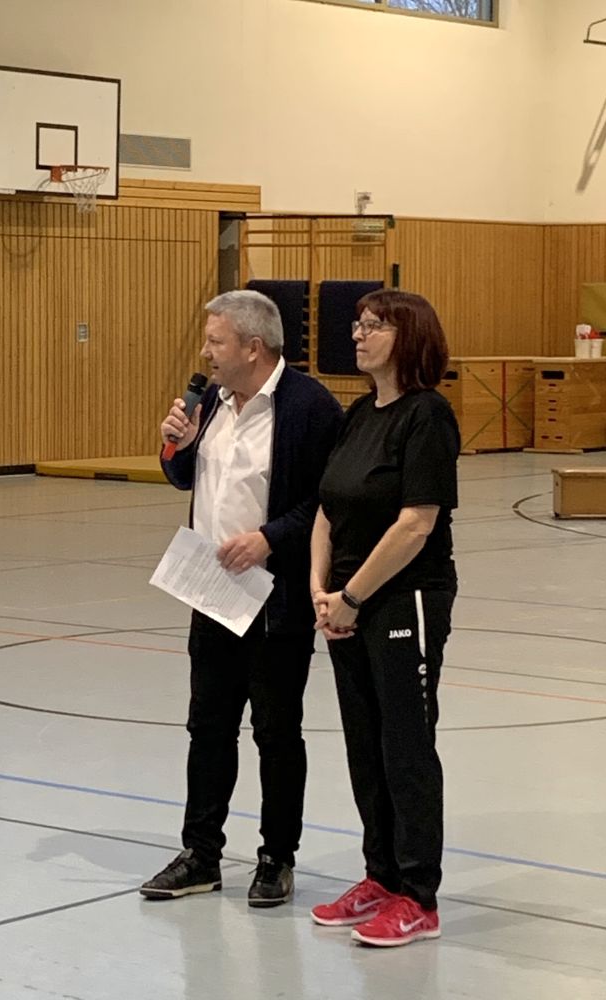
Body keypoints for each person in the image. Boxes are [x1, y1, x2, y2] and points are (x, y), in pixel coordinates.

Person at [140, 289, 343, 907]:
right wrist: (175, 447)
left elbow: (329, 501)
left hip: (274, 599)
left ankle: (277, 857)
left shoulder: (309, 407)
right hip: (211, 592)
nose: (206, 352)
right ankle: (200, 854)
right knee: (207, 728)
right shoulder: (211, 400)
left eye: (216, 341)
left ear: (254, 347)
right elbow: (188, 477)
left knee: (276, 734)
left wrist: (269, 538)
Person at [309, 289, 459, 947]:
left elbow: (415, 524)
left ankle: (417, 896)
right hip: (346, 602)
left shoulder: (427, 416)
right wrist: (320, 589)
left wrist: (353, 597)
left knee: (405, 745)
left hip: (404, 600)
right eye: (358, 324)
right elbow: (327, 507)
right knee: (365, 744)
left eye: (374, 325)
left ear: (410, 337)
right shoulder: (359, 413)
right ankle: (381, 876)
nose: (359, 334)